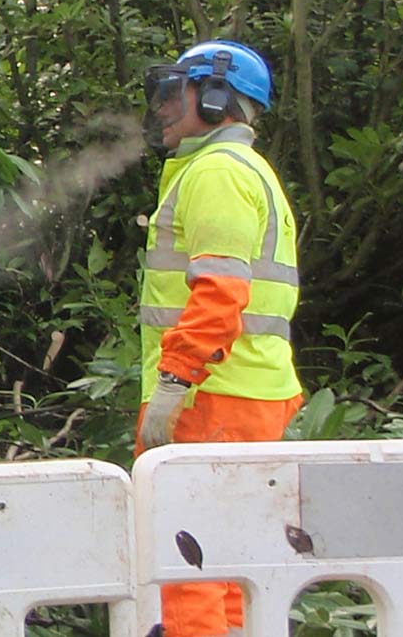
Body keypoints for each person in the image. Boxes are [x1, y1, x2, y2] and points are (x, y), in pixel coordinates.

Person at [134, 40, 302, 637]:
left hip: (214, 395)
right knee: (226, 559)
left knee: (190, 560)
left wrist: (174, 380)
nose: (160, 108)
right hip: (244, 391)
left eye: (172, 93)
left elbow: (220, 294)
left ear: (213, 98)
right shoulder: (242, 169)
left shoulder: (217, 173)